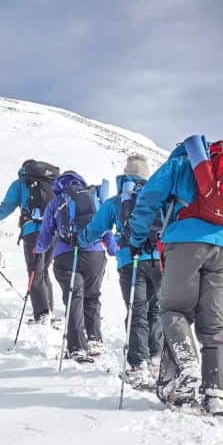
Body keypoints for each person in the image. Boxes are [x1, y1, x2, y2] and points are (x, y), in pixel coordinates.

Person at [126, 135, 223, 415]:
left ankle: (187, 366)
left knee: (174, 309)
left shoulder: (176, 166)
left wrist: (137, 238)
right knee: (213, 322)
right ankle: (216, 394)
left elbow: (147, 200)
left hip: (185, 243)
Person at [80, 155, 164, 388]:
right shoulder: (159, 195)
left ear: (126, 175)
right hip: (159, 260)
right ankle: (157, 359)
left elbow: (97, 228)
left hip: (130, 261)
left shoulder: (118, 201)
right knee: (156, 310)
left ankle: (138, 366)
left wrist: (82, 239)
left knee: (136, 311)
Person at [35, 171, 116, 363]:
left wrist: (39, 250)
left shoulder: (56, 202)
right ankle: (95, 339)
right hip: (95, 255)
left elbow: (46, 233)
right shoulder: (94, 197)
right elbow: (105, 228)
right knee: (92, 296)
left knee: (74, 298)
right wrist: (112, 249)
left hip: (66, 255)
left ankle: (77, 347)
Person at [0, 160, 59, 324]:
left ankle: (42, 315)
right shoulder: (51, 182)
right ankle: (49, 310)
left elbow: (7, 207)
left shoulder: (20, 183)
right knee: (44, 270)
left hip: (33, 232)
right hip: (53, 232)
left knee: (35, 273)